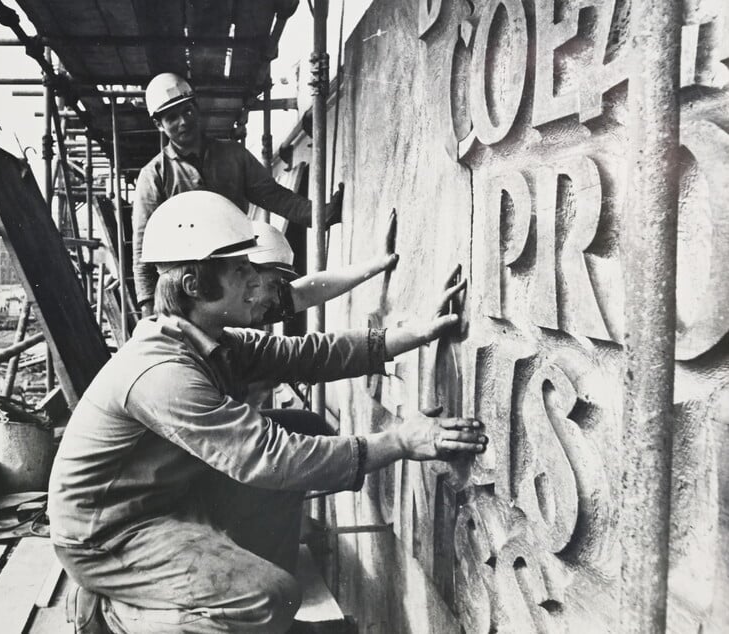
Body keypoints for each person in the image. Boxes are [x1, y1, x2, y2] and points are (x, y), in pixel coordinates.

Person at [49, 191, 485, 633]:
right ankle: (117, 614)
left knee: (302, 429)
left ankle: (230, 602)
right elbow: (269, 456)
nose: (257, 284)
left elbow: (305, 354)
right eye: (241, 272)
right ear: (194, 286)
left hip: (168, 496)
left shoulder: (211, 339)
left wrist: (409, 335)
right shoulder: (162, 373)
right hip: (108, 535)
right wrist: (399, 441)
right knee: (267, 596)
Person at [132, 72, 343, 317]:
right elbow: (142, 248)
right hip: (185, 289)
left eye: (187, 111)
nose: (182, 122)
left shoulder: (232, 156)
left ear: (196, 109)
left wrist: (320, 214)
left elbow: (274, 196)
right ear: (159, 124)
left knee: (240, 347)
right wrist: (149, 312)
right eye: (171, 117)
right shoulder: (154, 176)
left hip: (233, 278)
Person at [248, 212, 399, 326]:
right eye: (272, 285)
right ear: (244, 271)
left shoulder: (247, 308)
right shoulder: (234, 339)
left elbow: (306, 292)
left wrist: (377, 263)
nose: (276, 298)